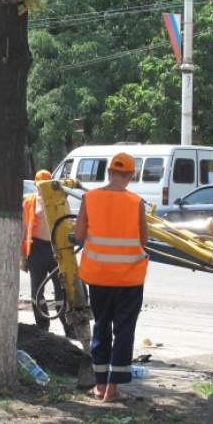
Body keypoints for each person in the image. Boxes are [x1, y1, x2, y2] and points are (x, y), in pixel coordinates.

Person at [73, 152, 148, 402]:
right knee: (124, 331)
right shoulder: (136, 202)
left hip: (99, 278)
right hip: (129, 278)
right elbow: (144, 241)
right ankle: (114, 388)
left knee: (101, 327)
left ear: (108, 173)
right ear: (131, 175)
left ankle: (100, 385)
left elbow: (80, 235)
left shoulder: (90, 198)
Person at [21, 170, 75, 338]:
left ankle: (68, 327)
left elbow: (68, 222)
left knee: (61, 289)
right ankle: (42, 326)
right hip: (36, 249)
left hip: (56, 248)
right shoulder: (29, 201)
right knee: (37, 288)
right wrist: (23, 255)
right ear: (36, 184)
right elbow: (23, 228)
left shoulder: (60, 199)